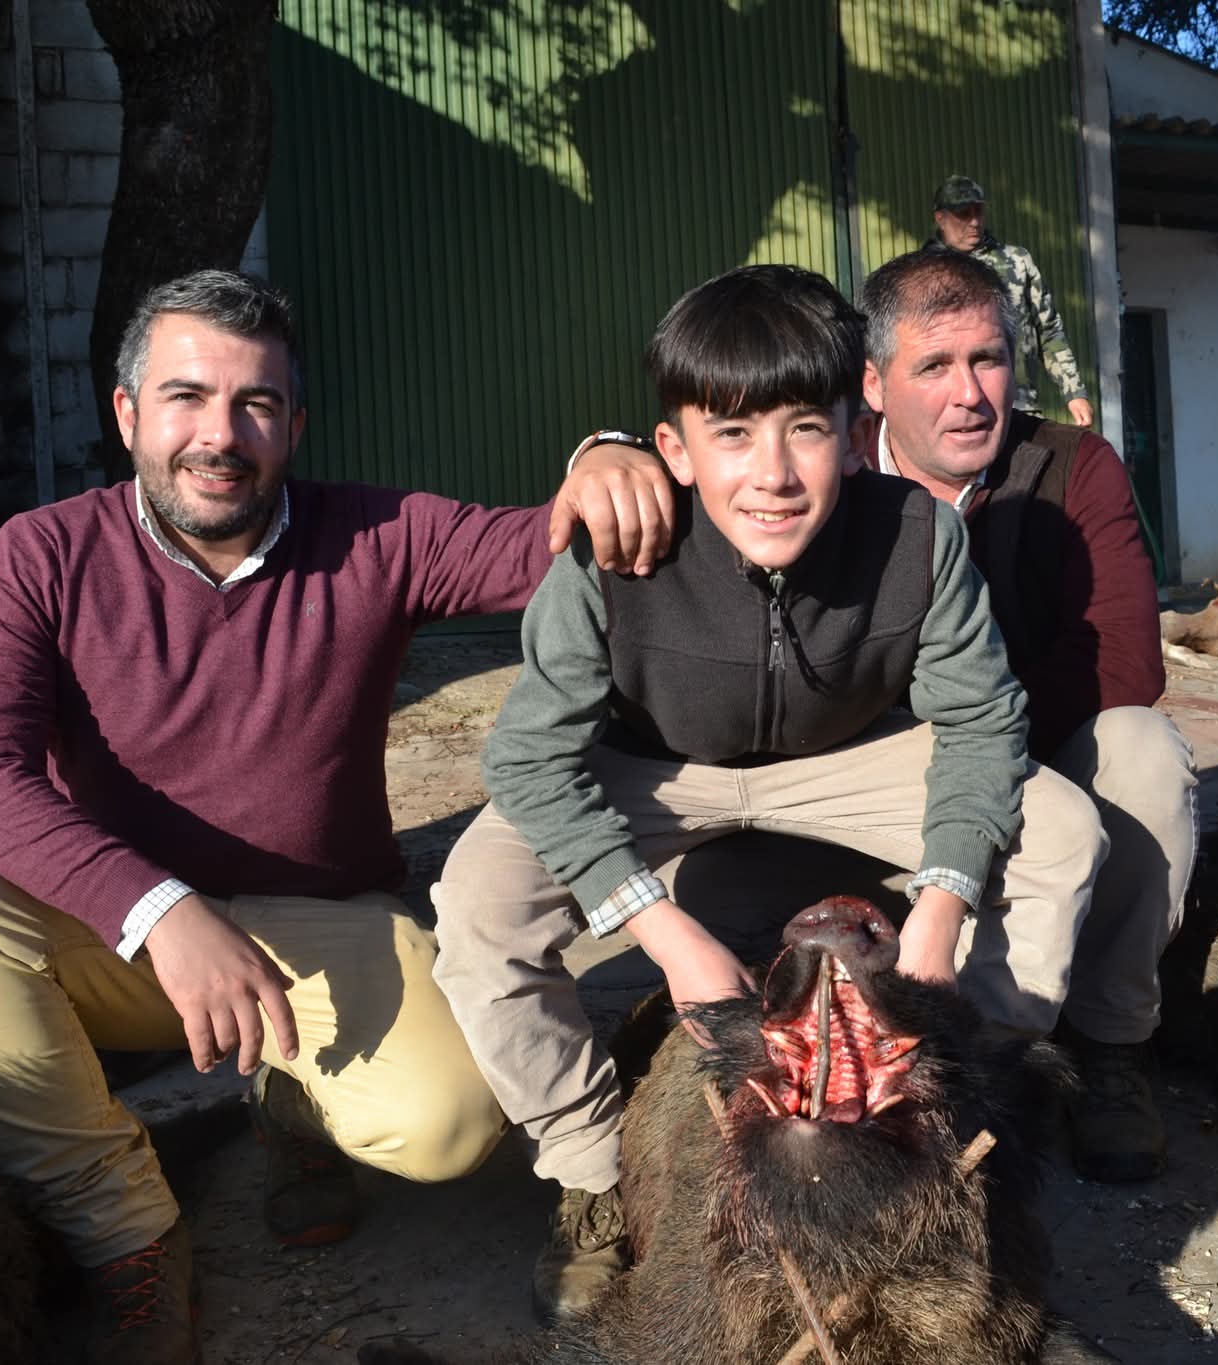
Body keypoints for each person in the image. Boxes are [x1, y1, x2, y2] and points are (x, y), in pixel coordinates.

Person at [0, 269, 677, 1365]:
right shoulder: (43, 553)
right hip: (118, 937)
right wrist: (158, 909)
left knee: (446, 1126)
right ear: (128, 414)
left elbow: (561, 540)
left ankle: (289, 1109)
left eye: (255, 404)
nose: (220, 435)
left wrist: (608, 452)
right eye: (186, 397)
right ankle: (129, 1235)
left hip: (317, 925)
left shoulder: (376, 535)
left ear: (294, 424)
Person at [428, 264, 1103, 1323]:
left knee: (1061, 830)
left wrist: (939, 909)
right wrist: (664, 936)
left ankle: (961, 1115)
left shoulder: (921, 536)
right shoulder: (609, 550)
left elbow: (979, 722)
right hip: (654, 767)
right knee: (476, 908)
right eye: (733, 434)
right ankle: (591, 1178)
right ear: (674, 449)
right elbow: (529, 760)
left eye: (806, 429)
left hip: (844, 756)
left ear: (855, 431)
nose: (774, 475)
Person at [861, 246, 1197, 1184]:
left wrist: (985, 746)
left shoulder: (1074, 466)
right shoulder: (829, 469)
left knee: (1142, 748)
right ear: (874, 385)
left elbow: (1125, 659)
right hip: (881, 766)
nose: (970, 393)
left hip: (1035, 746)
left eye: (989, 359)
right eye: (934, 365)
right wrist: (606, 449)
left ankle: (1111, 1043)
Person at [928, 174, 1095, 427]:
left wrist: (1075, 393)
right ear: (940, 218)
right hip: (954, 410)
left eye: (979, 212)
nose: (974, 222)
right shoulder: (922, 273)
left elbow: (1048, 331)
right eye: (963, 213)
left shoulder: (1017, 262)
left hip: (1019, 406)